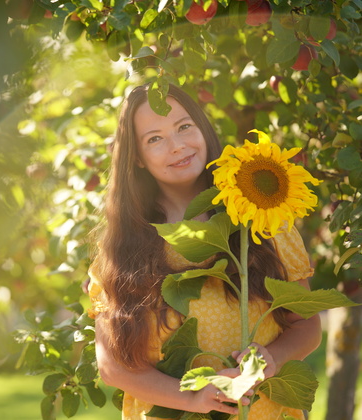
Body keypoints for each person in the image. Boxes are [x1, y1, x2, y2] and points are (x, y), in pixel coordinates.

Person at [87, 83, 322, 419]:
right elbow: (112, 366)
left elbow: (307, 325)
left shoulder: (261, 215)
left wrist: (273, 357)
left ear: (203, 128)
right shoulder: (123, 247)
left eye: (184, 127)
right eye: (155, 138)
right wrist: (194, 398)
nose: (177, 146)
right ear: (136, 157)